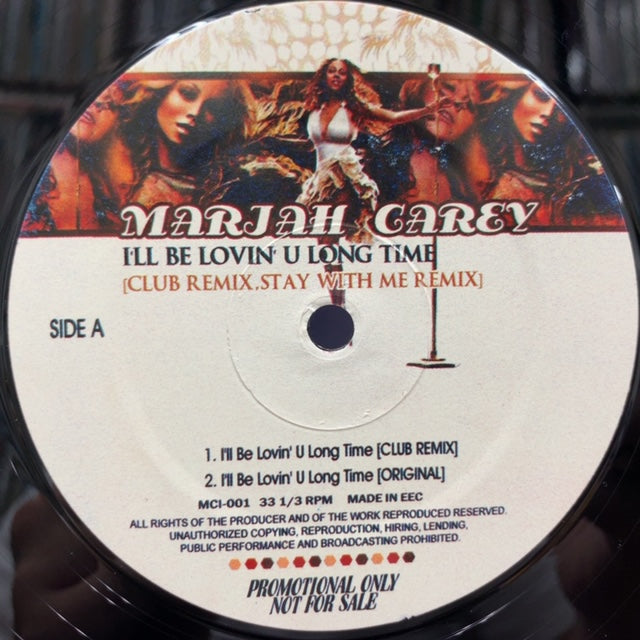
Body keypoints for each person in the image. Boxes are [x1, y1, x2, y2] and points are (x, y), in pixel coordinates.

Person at [297, 58, 439, 243]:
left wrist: (428, 109)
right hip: (320, 179)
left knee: (333, 233)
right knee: (320, 237)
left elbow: (393, 117)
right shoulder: (314, 107)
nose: (337, 76)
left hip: (345, 175)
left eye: (342, 72)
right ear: (324, 75)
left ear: (347, 79)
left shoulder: (353, 107)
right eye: (332, 71)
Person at [481, 80, 623, 227]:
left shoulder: (586, 180)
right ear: (514, 96)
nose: (548, 113)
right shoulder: (496, 183)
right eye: (541, 96)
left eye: (562, 109)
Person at [22, 83, 134, 233]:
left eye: (111, 104)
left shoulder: (108, 191)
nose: (97, 105)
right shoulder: (29, 173)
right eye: (89, 97)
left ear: (119, 124)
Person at [121, 78, 248, 207]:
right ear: (161, 92)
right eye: (187, 93)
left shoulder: (229, 186)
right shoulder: (122, 166)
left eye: (213, 107)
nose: (195, 112)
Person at [390, 71, 490, 204]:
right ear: (419, 86)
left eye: (470, 105)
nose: (455, 103)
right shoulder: (378, 145)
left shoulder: (461, 186)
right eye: (448, 87)